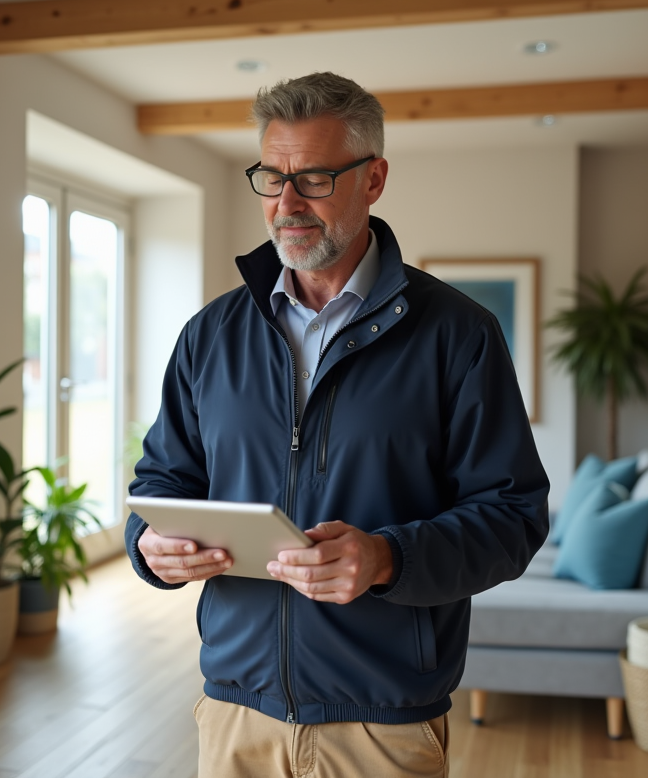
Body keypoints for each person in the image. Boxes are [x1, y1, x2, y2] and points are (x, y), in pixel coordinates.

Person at [125, 72, 549, 778]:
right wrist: (150, 545)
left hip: (381, 724)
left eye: (315, 177)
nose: (286, 202)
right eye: (270, 176)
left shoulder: (459, 335)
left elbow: (514, 517)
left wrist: (387, 559)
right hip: (235, 714)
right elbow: (161, 479)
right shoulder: (210, 335)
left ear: (374, 178)